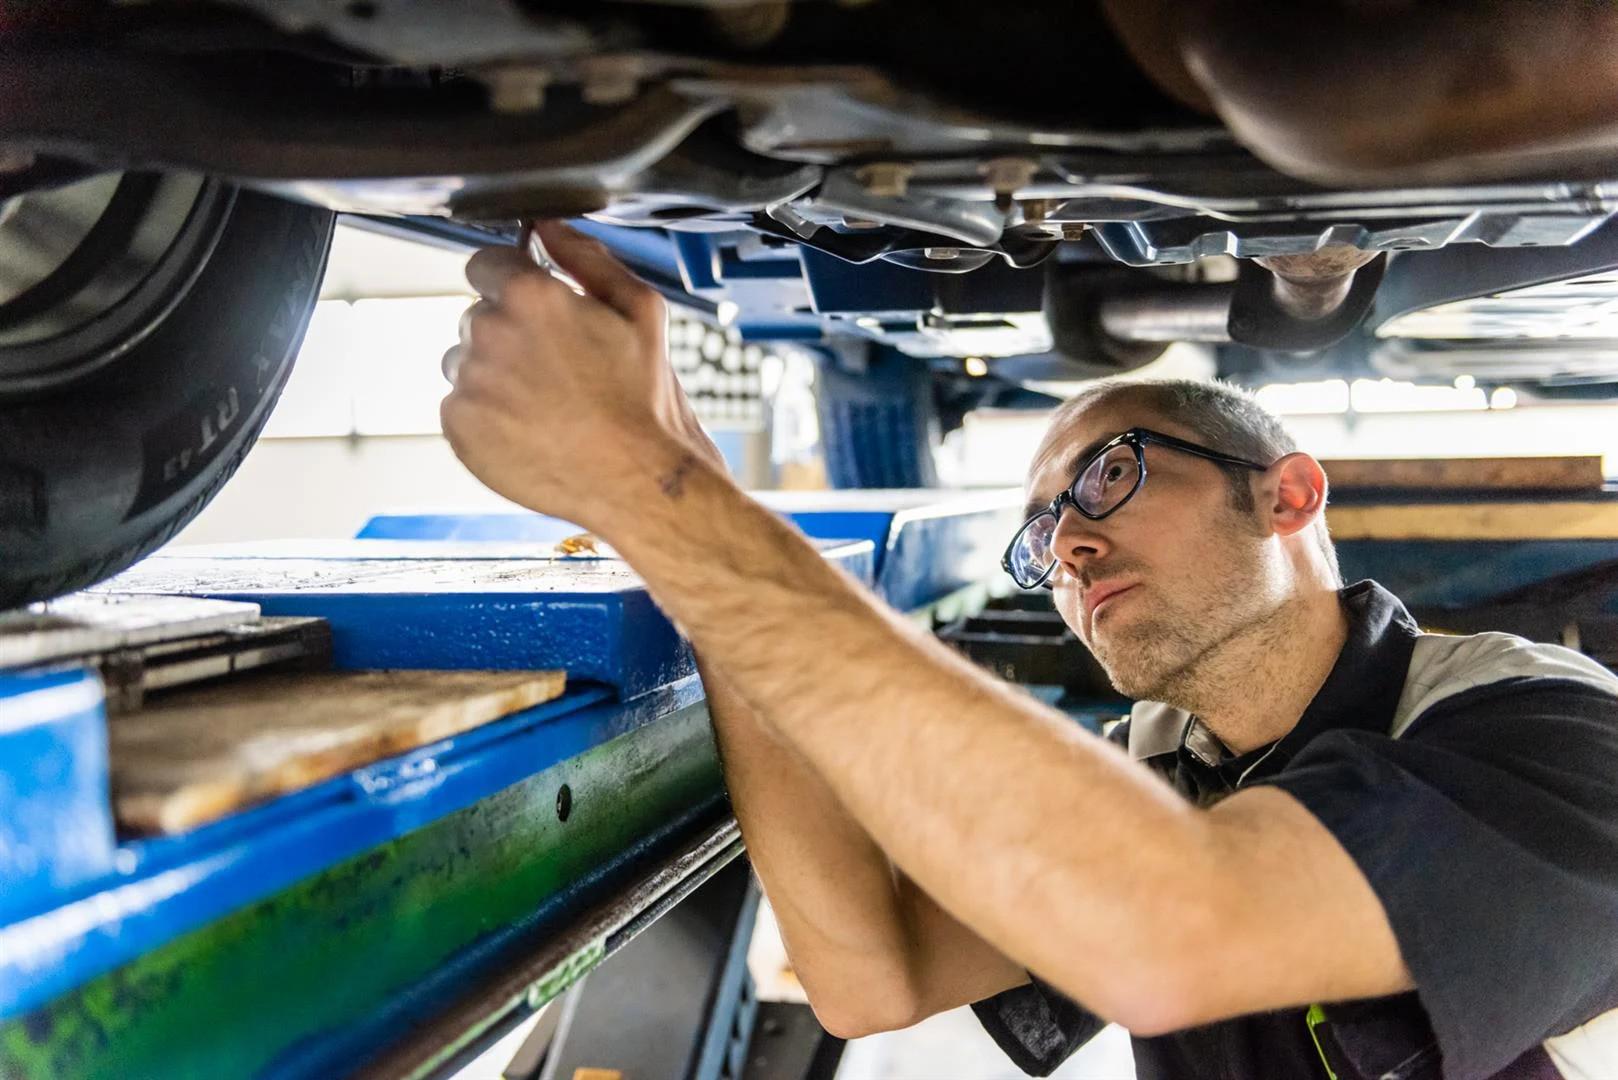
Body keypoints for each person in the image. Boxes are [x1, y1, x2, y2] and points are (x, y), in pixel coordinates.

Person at [439, 222, 1618, 1080]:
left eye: (1108, 476)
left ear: (1289, 495)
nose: (1070, 548)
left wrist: (664, 498)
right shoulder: (1164, 772)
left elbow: (1173, 929)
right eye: (1042, 532)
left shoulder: (1547, 736)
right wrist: (688, 539)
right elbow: (869, 975)